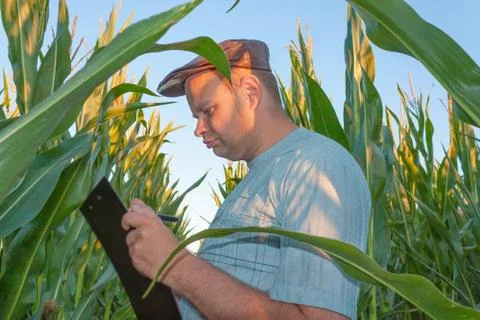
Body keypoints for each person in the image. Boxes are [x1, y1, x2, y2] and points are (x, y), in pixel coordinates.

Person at [121, 39, 371, 320]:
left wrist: (174, 264)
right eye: (195, 116)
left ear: (250, 93)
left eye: (208, 111)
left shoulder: (315, 164)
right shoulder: (262, 175)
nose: (198, 129)